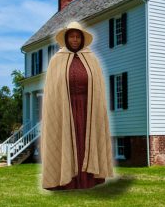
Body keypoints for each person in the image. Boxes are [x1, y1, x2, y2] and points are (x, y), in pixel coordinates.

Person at [41, 21, 114, 190]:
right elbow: (52, 90)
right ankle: (66, 181)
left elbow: (98, 86)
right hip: (64, 107)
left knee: (86, 141)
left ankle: (88, 180)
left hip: (88, 107)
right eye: (71, 37)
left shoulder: (92, 59)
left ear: (82, 39)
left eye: (77, 37)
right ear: (66, 39)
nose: (74, 40)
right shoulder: (56, 60)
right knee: (66, 140)